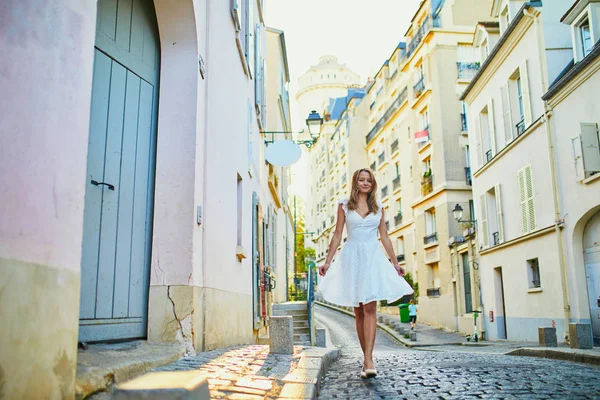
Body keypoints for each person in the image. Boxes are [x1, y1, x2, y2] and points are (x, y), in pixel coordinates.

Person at [318, 168, 413, 379]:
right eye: (361, 180)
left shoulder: (378, 208)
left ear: (373, 183)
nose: (364, 183)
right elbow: (337, 235)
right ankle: (365, 357)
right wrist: (327, 262)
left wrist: (396, 264)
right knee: (359, 311)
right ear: (355, 182)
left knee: (370, 306)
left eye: (368, 180)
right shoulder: (344, 205)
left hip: (372, 258)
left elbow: (385, 237)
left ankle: (369, 360)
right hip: (352, 258)